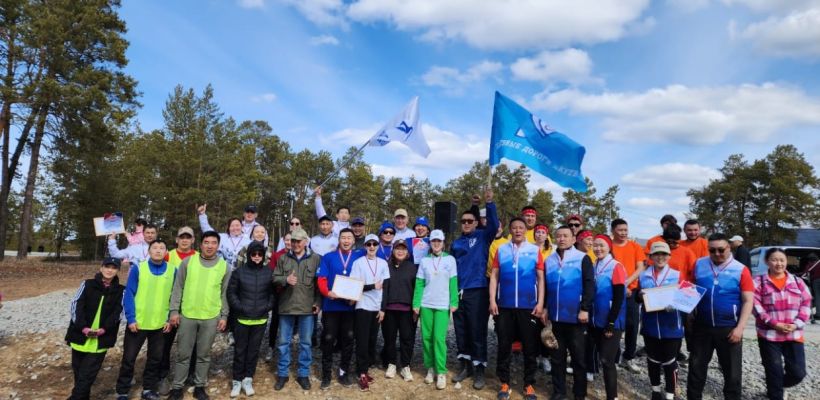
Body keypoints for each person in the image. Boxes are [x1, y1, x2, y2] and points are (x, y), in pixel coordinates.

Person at [687, 233, 755, 400]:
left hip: (729, 328)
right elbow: (689, 290)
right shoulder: (699, 264)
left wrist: (739, 328)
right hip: (702, 326)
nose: (716, 253)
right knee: (696, 370)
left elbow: (748, 301)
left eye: (721, 250)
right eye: (712, 250)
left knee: (732, 374)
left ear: (729, 248)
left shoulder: (741, 269)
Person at [167, 231, 231, 400]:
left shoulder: (224, 266)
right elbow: (178, 287)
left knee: (204, 354)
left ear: (218, 245)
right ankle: (177, 387)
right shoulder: (188, 262)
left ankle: (199, 386)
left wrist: (224, 316)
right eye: (206, 242)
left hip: (211, 317)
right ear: (201, 244)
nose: (210, 246)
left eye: (213, 243)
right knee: (183, 354)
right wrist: (174, 311)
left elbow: (225, 293)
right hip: (187, 315)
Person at [490, 219, 544, 400]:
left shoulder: (535, 250)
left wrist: (540, 302)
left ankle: (528, 384)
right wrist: (492, 300)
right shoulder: (502, 249)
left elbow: (541, 279)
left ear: (526, 230)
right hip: (504, 305)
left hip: (528, 306)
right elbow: (494, 277)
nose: (518, 230)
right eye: (514, 228)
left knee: (530, 347)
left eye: (521, 227)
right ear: (510, 230)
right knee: (504, 345)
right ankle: (504, 382)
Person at [450, 189, 498, 389]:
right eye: (464, 221)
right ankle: (466, 366)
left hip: (477, 290)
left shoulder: (482, 237)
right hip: (458, 291)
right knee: (461, 330)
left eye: (470, 221)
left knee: (477, 331)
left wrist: (489, 202)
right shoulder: (456, 242)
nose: (467, 223)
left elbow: (494, 225)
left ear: (477, 222)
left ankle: (479, 369)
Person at [116, 239, 173, 400]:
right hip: (138, 323)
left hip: (160, 324)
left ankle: (148, 389)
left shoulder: (172, 270)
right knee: (128, 358)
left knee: (155, 359)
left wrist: (170, 319)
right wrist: (131, 318)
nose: (158, 250)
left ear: (166, 252)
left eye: (162, 248)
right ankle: (122, 391)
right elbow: (129, 294)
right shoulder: (138, 268)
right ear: (149, 251)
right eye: (155, 247)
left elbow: (174, 298)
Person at [753, 248, 811, 400]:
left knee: (798, 373)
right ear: (767, 262)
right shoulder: (759, 282)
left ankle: (778, 385)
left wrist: (797, 323)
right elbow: (756, 307)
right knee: (774, 370)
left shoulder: (798, 282)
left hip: (794, 334)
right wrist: (773, 323)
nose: (778, 263)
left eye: (782, 260)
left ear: (786, 261)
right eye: (774, 259)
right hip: (769, 334)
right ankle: (775, 393)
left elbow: (806, 303)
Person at [545, 225, 595, 400]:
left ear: (574, 239)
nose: (562, 239)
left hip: (576, 318)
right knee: (557, 358)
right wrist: (544, 308)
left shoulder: (583, 258)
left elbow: (590, 285)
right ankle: (559, 392)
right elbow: (544, 287)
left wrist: (585, 308)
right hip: (555, 318)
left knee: (578, 359)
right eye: (558, 236)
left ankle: (579, 394)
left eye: (565, 236)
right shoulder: (549, 260)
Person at [65, 258, 124, 400]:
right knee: (79, 373)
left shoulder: (121, 290)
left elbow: (119, 312)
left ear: (117, 271)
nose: (110, 270)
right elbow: (76, 305)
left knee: (87, 374)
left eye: (113, 268)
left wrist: (104, 329)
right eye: (107, 266)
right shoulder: (87, 284)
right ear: (101, 268)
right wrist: (83, 327)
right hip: (80, 336)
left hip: (101, 339)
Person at [272, 227, 321, 391]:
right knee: (283, 342)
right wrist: (285, 279)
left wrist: (318, 303)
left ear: (305, 242)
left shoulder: (315, 259)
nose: (295, 244)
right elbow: (274, 278)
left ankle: (303, 374)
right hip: (286, 307)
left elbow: (318, 284)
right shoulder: (283, 258)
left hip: (307, 308)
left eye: (298, 241)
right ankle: (282, 374)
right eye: (293, 241)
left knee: (306, 343)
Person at [636, 242, 685, 400]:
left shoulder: (677, 275)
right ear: (650, 257)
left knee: (670, 362)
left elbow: (686, 297)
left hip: (671, 326)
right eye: (656, 254)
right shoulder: (643, 275)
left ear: (669, 256)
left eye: (664, 254)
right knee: (652, 360)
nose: (660, 257)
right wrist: (640, 295)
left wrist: (677, 303)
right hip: (650, 325)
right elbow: (637, 295)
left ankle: (670, 394)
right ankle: (655, 391)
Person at [317, 228, 363, 389]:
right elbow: (322, 278)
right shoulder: (329, 257)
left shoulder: (359, 256)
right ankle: (326, 374)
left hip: (350, 306)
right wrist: (327, 292)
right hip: (331, 305)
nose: (346, 240)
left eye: (349, 238)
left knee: (349, 338)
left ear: (353, 240)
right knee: (329, 338)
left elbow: (363, 278)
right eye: (343, 237)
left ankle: (344, 371)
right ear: (339, 240)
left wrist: (355, 296)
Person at [227, 241, 275, 398]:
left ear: (263, 256)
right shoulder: (239, 272)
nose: (256, 257)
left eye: (259, 254)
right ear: (249, 255)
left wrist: (266, 307)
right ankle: (236, 380)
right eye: (253, 254)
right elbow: (231, 293)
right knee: (240, 350)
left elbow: (273, 294)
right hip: (242, 318)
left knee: (253, 351)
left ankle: (248, 379)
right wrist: (241, 308)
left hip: (260, 320)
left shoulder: (269, 272)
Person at [412, 230, 458, 390]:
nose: (436, 244)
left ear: (443, 242)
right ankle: (430, 368)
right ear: (430, 243)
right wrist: (416, 303)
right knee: (426, 338)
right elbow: (419, 283)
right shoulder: (424, 261)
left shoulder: (450, 260)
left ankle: (441, 372)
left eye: (439, 241)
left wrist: (454, 301)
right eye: (433, 241)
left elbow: (453, 282)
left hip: (442, 305)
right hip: (426, 304)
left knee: (439, 338)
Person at [158, 227, 198, 395]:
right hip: (169, 307)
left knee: (192, 344)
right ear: (176, 239)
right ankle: (163, 377)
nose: (185, 240)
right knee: (164, 345)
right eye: (182, 237)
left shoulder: (198, 257)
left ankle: (190, 374)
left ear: (193, 240)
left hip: (191, 308)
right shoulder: (168, 255)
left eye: (188, 237)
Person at [587, 234, 626, 400]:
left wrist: (611, 321)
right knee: (595, 356)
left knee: (606, 360)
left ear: (609, 247)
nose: (598, 249)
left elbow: (619, 297)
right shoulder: (594, 264)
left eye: (601, 245)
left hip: (611, 321)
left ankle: (613, 397)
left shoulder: (616, 266)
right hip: (595, 320)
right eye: (595, 245)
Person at [350, 234, 391, 391]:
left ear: (378, 246)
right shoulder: (358, 263)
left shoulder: (382, 263)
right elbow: (355, 286)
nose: (372, 247)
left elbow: (386, 287)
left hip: (376, 307)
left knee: (372, 340)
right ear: (365, 246)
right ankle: (361, 372)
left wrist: (383, 309)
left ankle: (365, 368)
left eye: (374, 244)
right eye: (369, 244)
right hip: (362, 305)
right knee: (362, 340)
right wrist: (372, 286)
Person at [609, 218, 646, 373]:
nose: (623, 233)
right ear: (613, 231)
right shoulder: (609, 247)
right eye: (620, 230)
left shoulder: (635, 246)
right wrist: (619, 288)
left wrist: (626, 283)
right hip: (613, 292)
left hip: (632, 291)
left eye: (625, 230)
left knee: (632, 326)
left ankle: (628, 357)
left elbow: (640, 268)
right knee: (614, 325)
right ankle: (613, 357)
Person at [381, 239, 418, 382]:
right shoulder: (386, 266)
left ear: (407, 252)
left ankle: (405, 366)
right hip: (389, 309)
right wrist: (382, 309)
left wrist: (416, 309)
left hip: (407, 310)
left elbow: (417, 289)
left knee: (407, 339)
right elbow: (384, 289)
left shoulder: (413, 268)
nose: (400, 251)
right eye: (397, 248)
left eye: (403, 249)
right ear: (393, 251)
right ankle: (391, 364)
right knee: (389, 338)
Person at [265, 232, 290, 362]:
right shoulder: (277, 255)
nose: (289, 242)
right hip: (279, 293)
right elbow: (272, 274)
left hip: (294, 294)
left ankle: (286, 348)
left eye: (292, 240)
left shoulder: (300, 255)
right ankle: (271, 346)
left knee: (290, 322)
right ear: (283, 240)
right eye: (287, 240)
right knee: (275, 320)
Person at [533, 223, 554, 373]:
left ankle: (545, 356)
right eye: (537, 232)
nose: (540, 234)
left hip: (548, 289)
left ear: (547, 235)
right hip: (531, 289)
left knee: (545, 323)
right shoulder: (529, 249)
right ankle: (534, 355)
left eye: (543, 232)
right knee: (533, 324)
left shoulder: (552, 251)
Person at [806, 253, 820, 323]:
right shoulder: (818, 263)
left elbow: (805, 273)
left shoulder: (811, 265)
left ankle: (818, 313)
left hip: (816, 281)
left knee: (817, 296)